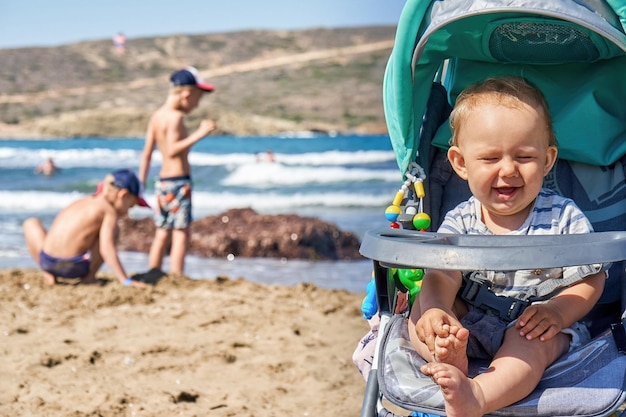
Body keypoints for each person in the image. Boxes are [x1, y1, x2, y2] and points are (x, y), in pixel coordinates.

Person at [407, 77, 608, 417]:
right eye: (490, 158)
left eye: (524, 156)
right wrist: (437, 308)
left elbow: (591, 278)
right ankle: (448, 354)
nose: (508, 169)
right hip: (472, 319)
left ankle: (479, 395)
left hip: (538, 323)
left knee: (529, 346)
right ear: (460, 163)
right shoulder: (462, 219)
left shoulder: (562, 217)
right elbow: (443, 274)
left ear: (547, 160)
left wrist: (559, 312)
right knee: (420, 315)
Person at [138, 66, 217, 275]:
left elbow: (146, 154)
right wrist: (199, 133)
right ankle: (177, 274)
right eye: (197, 99)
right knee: (181, 232)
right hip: (179, 181)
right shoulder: (175, 117)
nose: (197, 105)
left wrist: (141, 182)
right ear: (186, 94)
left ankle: (154, 270)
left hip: (162, 181)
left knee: (162, 231)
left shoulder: (156, 116)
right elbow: (173, 150)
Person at [22, 168, 150, 287]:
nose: (128, 212)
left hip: (47, 262)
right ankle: (89, 278)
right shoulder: (108, 211)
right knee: (111, 232)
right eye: (131, 205)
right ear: (122, 195)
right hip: (71, 266)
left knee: (30, 223)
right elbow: (107, 248)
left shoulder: (83, 201)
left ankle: (49, 275)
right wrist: (125, 280)